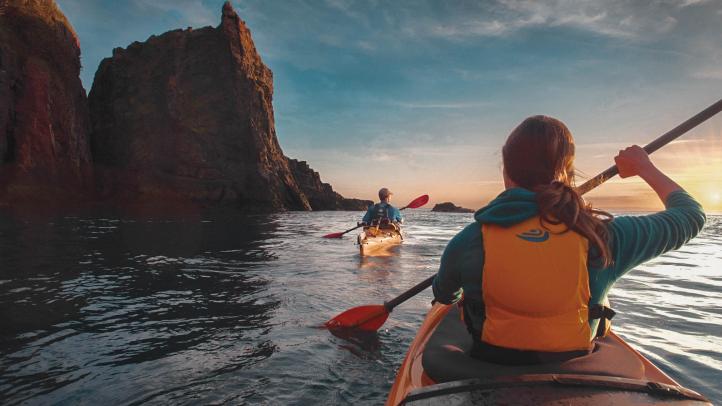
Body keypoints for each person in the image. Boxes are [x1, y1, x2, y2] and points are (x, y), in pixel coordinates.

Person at [432, 115, 706, 365]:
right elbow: (691, 215)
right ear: (566, 172)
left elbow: (445, 294)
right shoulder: (604, 237)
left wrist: (459, 287)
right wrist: (644, 167)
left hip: (489, 363)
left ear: (506, 172)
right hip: (575, 364)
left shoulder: (469, 239)